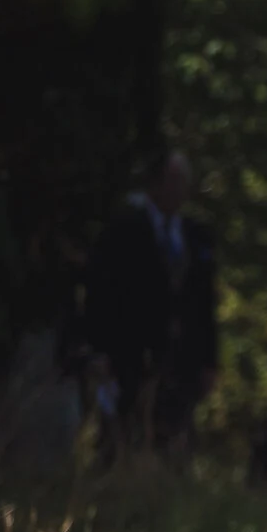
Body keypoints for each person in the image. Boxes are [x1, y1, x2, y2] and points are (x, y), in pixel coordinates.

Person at [80, 147, 217, 458]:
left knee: (176, 437)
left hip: (183, 356)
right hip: (132, 352)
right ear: (154, 183)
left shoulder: (196, 236)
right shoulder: (124, 231)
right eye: (172, 179)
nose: (179, 188)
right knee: (124, 434)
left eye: (184, 180)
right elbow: (103, 294)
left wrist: (209, 359)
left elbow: (205, 303)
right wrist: (99, 350)